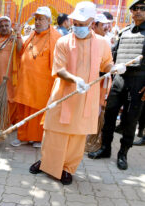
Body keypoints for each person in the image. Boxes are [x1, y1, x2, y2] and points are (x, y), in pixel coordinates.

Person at [29, 1, 116, 185]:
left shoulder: (102, 43)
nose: (77, 28)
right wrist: (75, 80)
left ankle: (67, 168)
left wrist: (115, 68)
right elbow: (58, 69)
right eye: (75, 23)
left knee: (77, 136)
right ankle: (46, 163)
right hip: (63, 95)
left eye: (82, 24)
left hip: (86, 99)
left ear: (92, 22)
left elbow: (106, 64)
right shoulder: (63, 41)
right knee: (53, 132)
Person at [88, 0, 145, 170]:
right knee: (109, 116)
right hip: (119, 80)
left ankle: (123, 154)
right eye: (135, 8)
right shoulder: (124, 32)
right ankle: (105, 148)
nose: (138, 11)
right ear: (131, 12)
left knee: (130, 120)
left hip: (139, 82)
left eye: (142, 8)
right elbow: (112, 55)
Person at [11, 7, 61, 148]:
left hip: (42, 85)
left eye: (41, 19)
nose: (38, 22)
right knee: (23, 108)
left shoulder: (56, 37)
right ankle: (22, 137)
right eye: (36, 19)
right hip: (26, 82)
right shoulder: (32, 34)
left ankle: (37, 138)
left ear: (49, 21)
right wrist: (18, 35)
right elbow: (21, 51)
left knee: (37, 111)